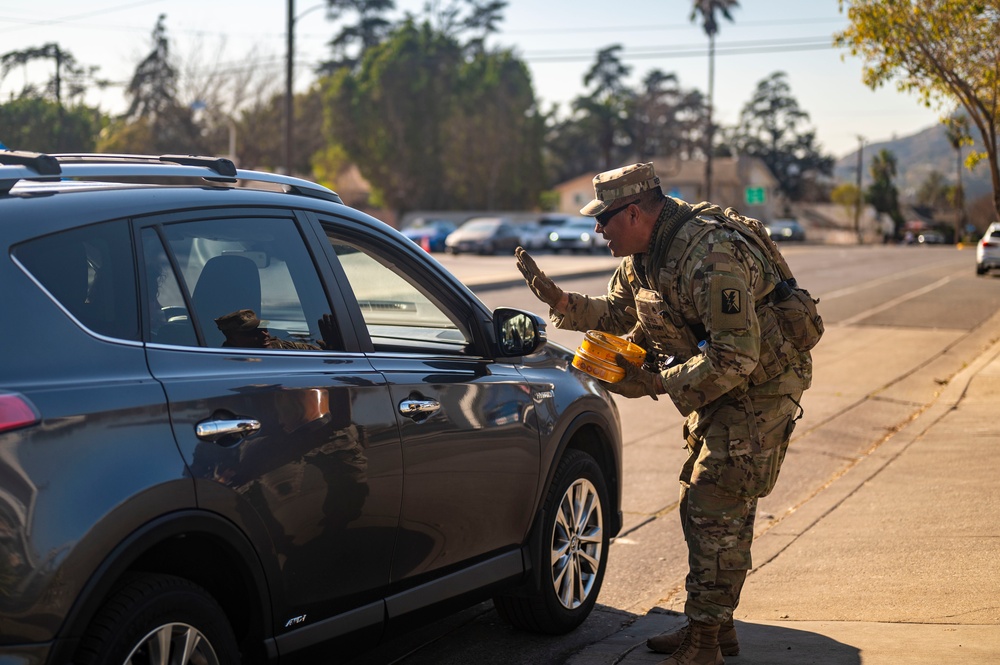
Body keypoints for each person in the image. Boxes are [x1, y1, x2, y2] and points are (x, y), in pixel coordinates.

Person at [515, 163, 812, 665]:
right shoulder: (642, 256)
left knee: (713, 500)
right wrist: (562, 301)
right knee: (705, 504)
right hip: (717, 387)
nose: (596, 229)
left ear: (633, 212)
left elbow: (736, 357)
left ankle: (704, 642)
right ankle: (716, 629)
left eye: (603, 218)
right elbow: (618, 313)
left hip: (761, 387)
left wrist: (653, 383)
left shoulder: (709, 256)